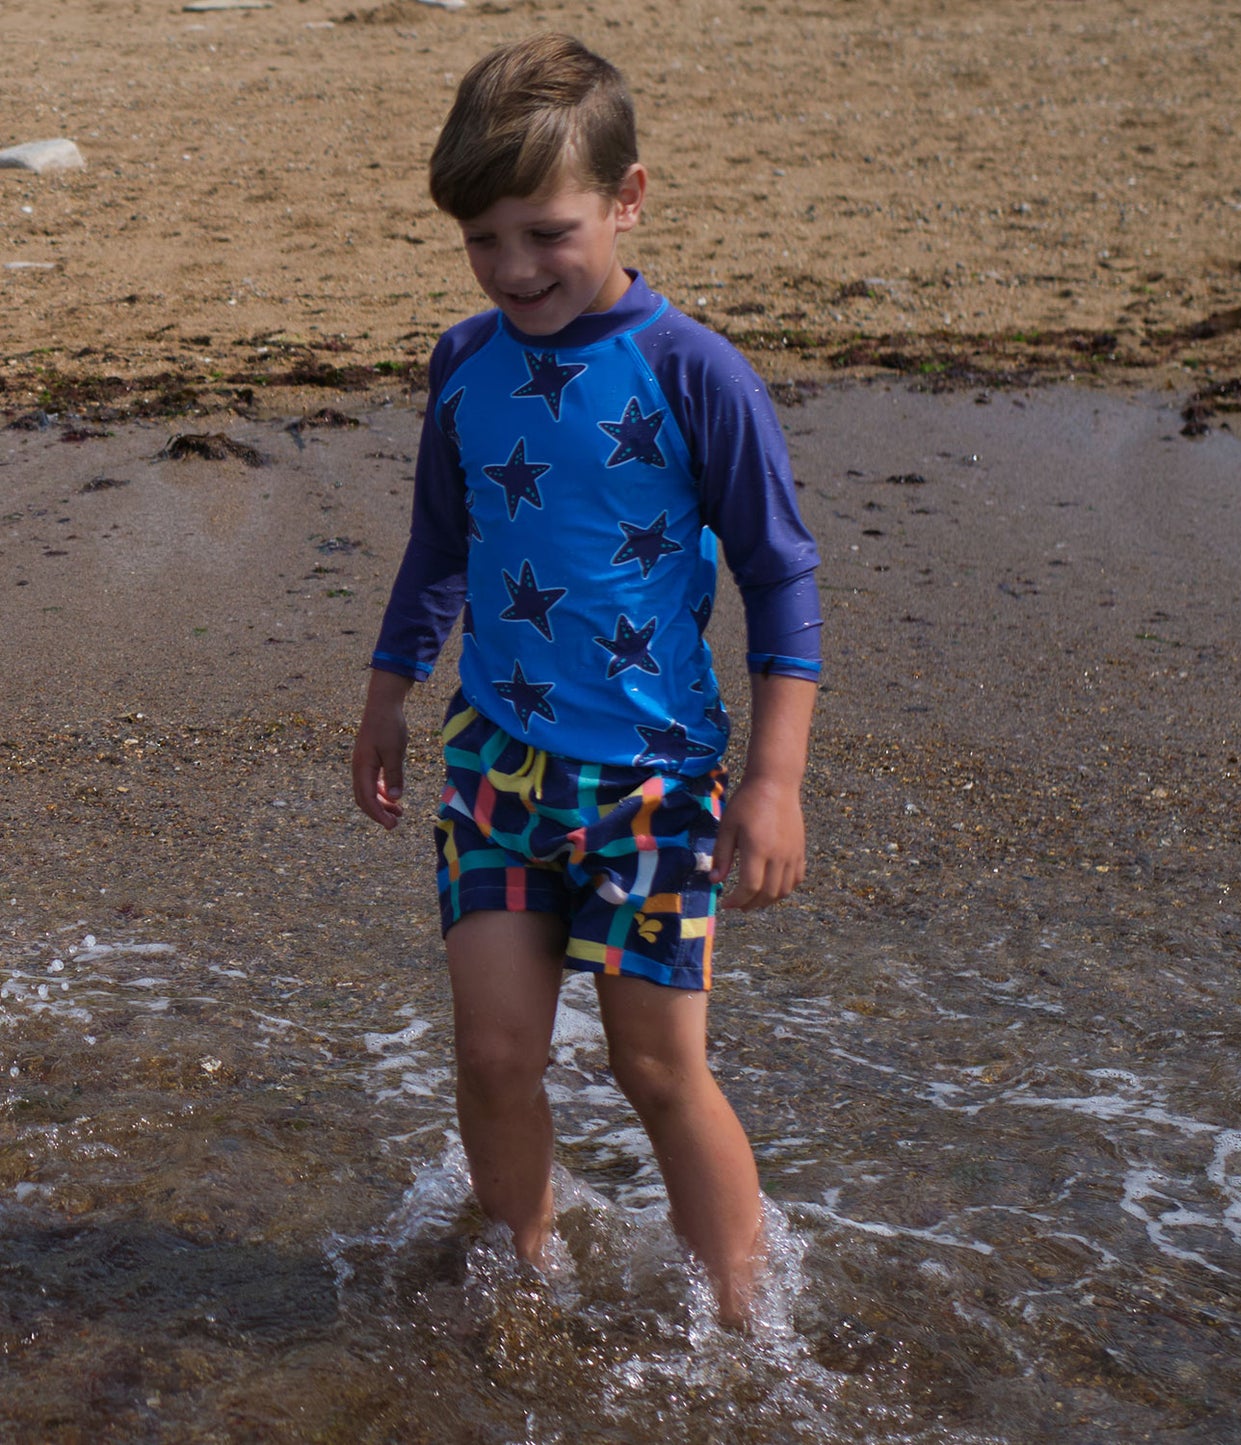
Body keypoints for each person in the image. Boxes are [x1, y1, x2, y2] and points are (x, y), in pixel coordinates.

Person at [350, 33, 821, 1324]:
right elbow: (443, 544)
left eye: (545, 232)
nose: (513, 269)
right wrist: (389, 689)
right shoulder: (465, 361)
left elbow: (781, 580)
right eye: (482, 240)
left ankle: (743, 1329)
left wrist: (771, 785)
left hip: (655, 786)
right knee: (495, 1049)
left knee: (657, 1067)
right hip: (496, 762)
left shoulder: (692, 374)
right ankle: (522, 1269)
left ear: (628, 199)